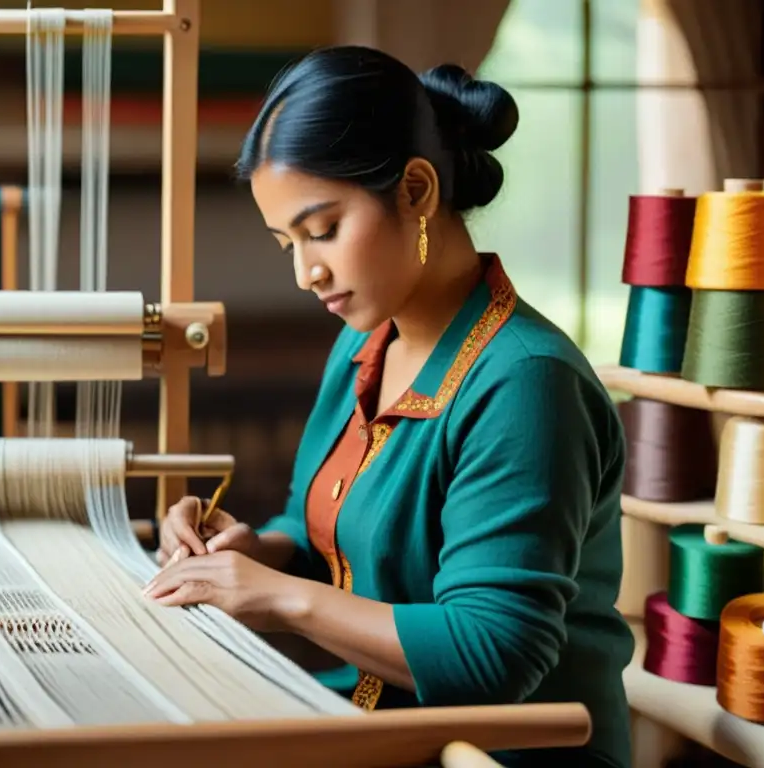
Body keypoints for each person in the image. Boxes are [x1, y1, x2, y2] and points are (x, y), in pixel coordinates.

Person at [142, 46, 633, 768]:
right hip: (370, 734)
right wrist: (251, 552)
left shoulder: (526, 384)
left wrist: (275, 597)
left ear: (416, 190)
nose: (307, 272)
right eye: (288, 243)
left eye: (323, 229)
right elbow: (327, 539)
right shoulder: (364, 344)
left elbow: (494, 654)